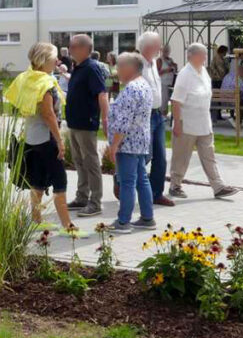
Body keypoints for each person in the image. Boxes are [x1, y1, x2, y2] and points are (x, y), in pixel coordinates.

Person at [5, 42, 73, 233]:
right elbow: (48, 114)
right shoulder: (46, 82)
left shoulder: (24, 78)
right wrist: (60, 141)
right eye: (54, 57)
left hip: (30, 136)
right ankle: (68, 226)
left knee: (38, 181)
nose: (57, 61)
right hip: (47, 137)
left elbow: (18, 104)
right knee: (60, 181)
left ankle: (36, 221)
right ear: (45, 60)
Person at [169, 43, 238, 200]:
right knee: (181, 157)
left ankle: (218, 186)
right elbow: (176, 101)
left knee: (209, 156)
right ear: (192, 56)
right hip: (187, 124)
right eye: (203, 55)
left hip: (204, 124)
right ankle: (175, 185)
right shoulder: (185, 74)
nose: (206, 58)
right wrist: (178, 124)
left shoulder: (204, 73)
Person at [107, 52, 156, 234]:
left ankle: (123, 221)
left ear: (129, 67)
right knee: (142, 180)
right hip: (140, 141)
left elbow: (123, 122)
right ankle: (147, 217)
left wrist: (114, 145)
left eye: (119, 66)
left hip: (127, 143)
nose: (116, 70)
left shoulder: (131, 89)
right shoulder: (144, 85)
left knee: (127, 182)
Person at [65, 34, 109, 218]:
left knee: (91, 163)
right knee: (79, 162)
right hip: (74, 124)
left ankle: (95, 202)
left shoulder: (92, 68)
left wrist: (105, 120)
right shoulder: (78, 67)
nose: (70, 49)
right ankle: (82, 197)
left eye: (73, 46)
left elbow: (102, 94)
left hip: (86, 124)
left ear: (84, 49)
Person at [138, 31, 172, 207]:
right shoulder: (137, 64)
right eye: (158, 44)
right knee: (145, 155)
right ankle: (120, 178)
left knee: (161, 156)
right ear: (149, 46)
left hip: (158, 114)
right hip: (144, 115)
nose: (161, 48)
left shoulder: (152, 64)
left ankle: (156, 193)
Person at [158, 45, 178, 115]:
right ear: (161, 51)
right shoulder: (159, 60)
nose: (166, 52)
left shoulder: (170, 60)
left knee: (171, 100)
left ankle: (167, 115)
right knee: (164, 101)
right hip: (163, 83)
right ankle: (162, 116)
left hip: (171, 83)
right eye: (165, 51)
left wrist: (175, 67)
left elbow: (175, 69)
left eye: (167, 51)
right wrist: (167, 70)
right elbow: (157, 73)